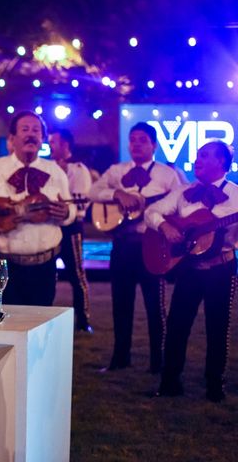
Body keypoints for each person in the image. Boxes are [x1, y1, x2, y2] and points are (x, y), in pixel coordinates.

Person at [146, 141, 238, 402]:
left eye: (205, 155)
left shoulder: (236, 194)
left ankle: (214, 386)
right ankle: (169, 382)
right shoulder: (184, 192)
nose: (198, 159)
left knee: (217, 327)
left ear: (222, 163)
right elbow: (152, 212)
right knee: (177, 325)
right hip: (188, 268)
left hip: (221, 268)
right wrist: (165, 227)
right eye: (198, 155)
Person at [89, 122, 182, 373]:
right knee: (121, 303)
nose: (136, 144)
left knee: (154, 304)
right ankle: (120, 357)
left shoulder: (167, 174)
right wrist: (118, 194)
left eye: (142, 139)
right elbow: (93, 191)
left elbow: (179, 207)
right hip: (122, 245)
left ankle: (158, 361)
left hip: (150, 244)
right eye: (133, 139)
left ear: (154, 145)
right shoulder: (117, 171)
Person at [0, 111, 75, 307]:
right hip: (3, 265)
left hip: (44, 266)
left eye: (36, 131)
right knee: (5, 324)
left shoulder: (56, 172)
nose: (31, 134)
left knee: (40, 325)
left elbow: (70, 207)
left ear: (42, 139)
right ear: (12, 139)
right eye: (24, 129)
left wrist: (67, 213)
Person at [49, 128, 93, 332]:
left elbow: (81, 201)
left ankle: (83, 321)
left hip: (72, 229)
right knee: (48, 273)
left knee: (76, 274)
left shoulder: (78, 169)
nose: (50, 146)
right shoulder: (47, 167)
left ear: (65, 145)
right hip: (49, 228)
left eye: (54, 143)